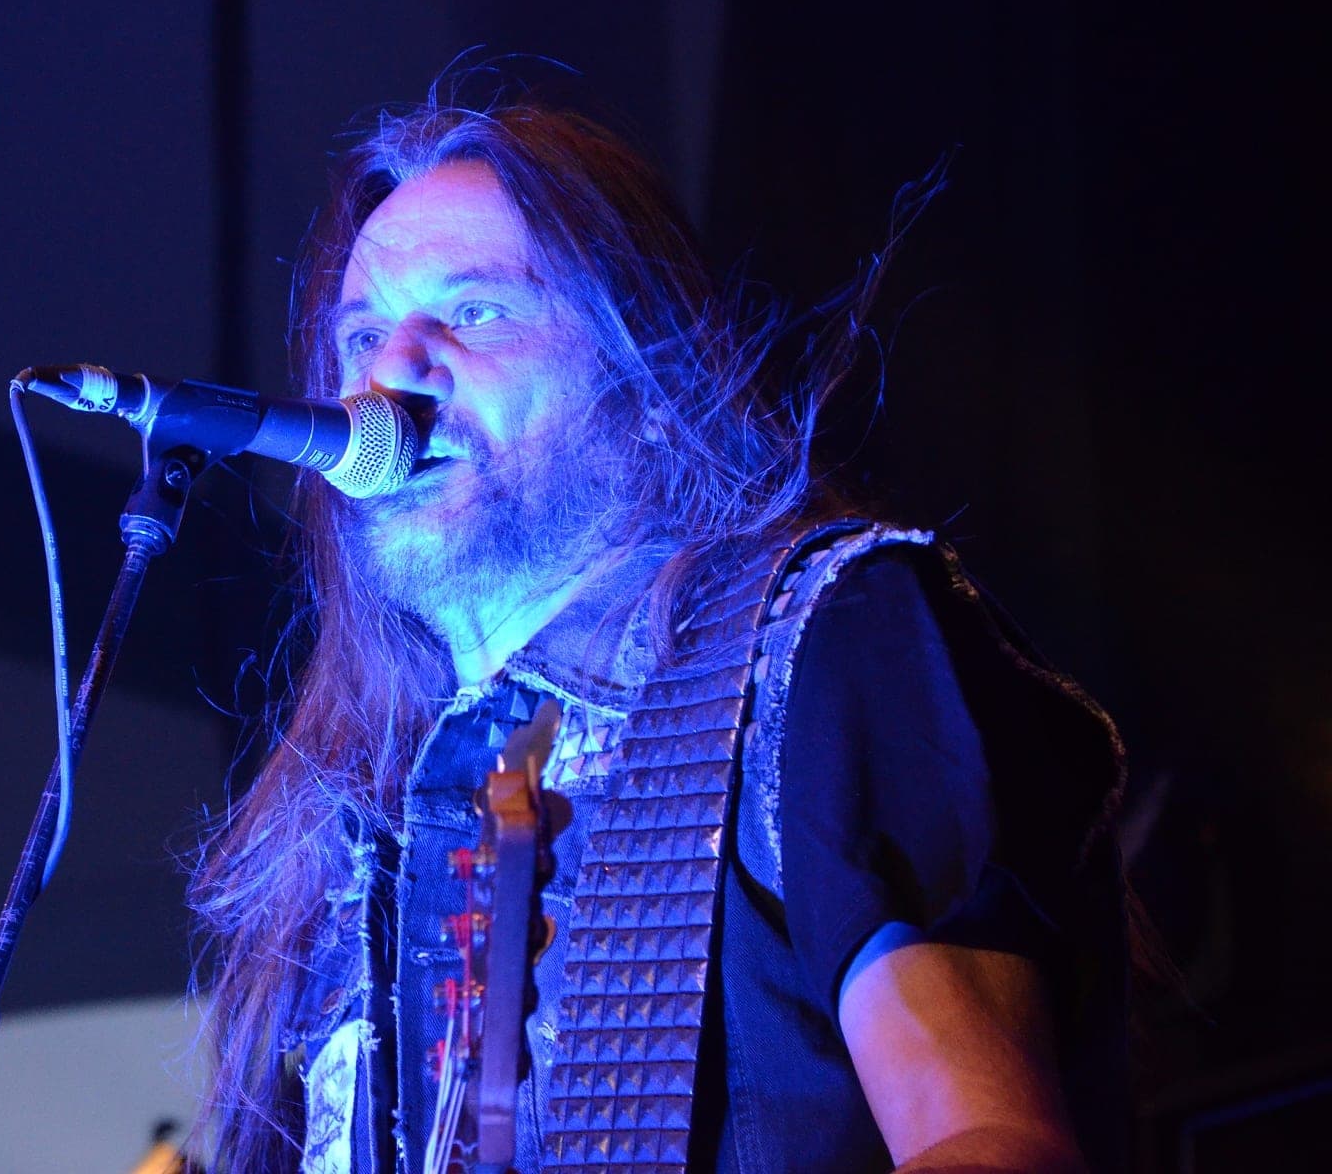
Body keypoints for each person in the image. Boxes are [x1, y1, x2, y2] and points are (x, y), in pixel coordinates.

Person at [188, 94, 1129, 1173]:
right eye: (363, 336)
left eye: (476, 313)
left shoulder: (818, 645)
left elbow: (989, 1139)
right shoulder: (353, 840)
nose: (389, 374)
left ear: (639, 376)